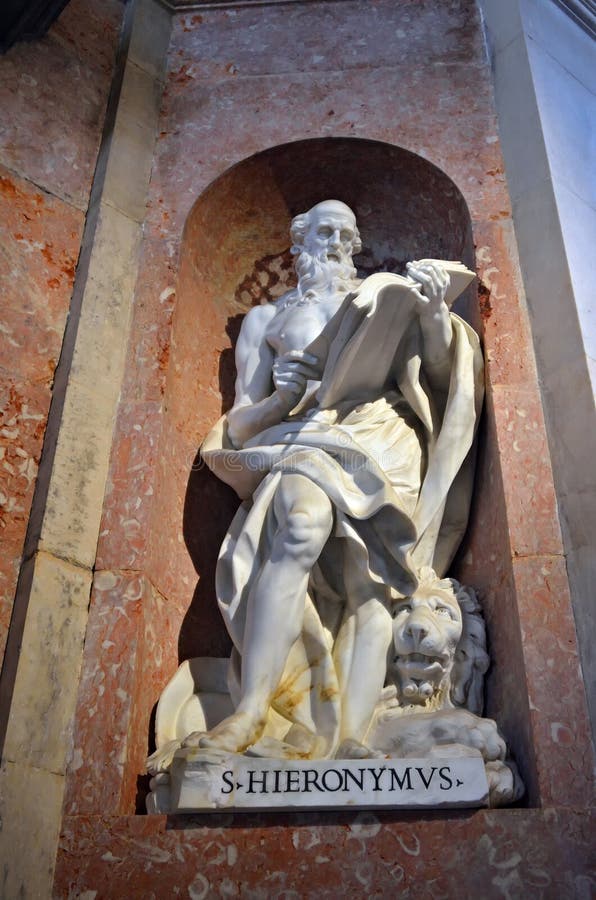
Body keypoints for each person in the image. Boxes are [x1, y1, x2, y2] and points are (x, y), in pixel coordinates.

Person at [199, 200, 483, 758]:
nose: (339, 245)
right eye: (326, 233)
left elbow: (447, 380)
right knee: (302, 527)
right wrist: (283, 396)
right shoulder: (268, 320)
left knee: (372, 582)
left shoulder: (377, 302)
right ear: (299, 242)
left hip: (384, 438)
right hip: (305, 438)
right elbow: (238, 424)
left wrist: (430, 314)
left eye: (349, 237)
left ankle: (351, 736)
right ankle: (252, 710)